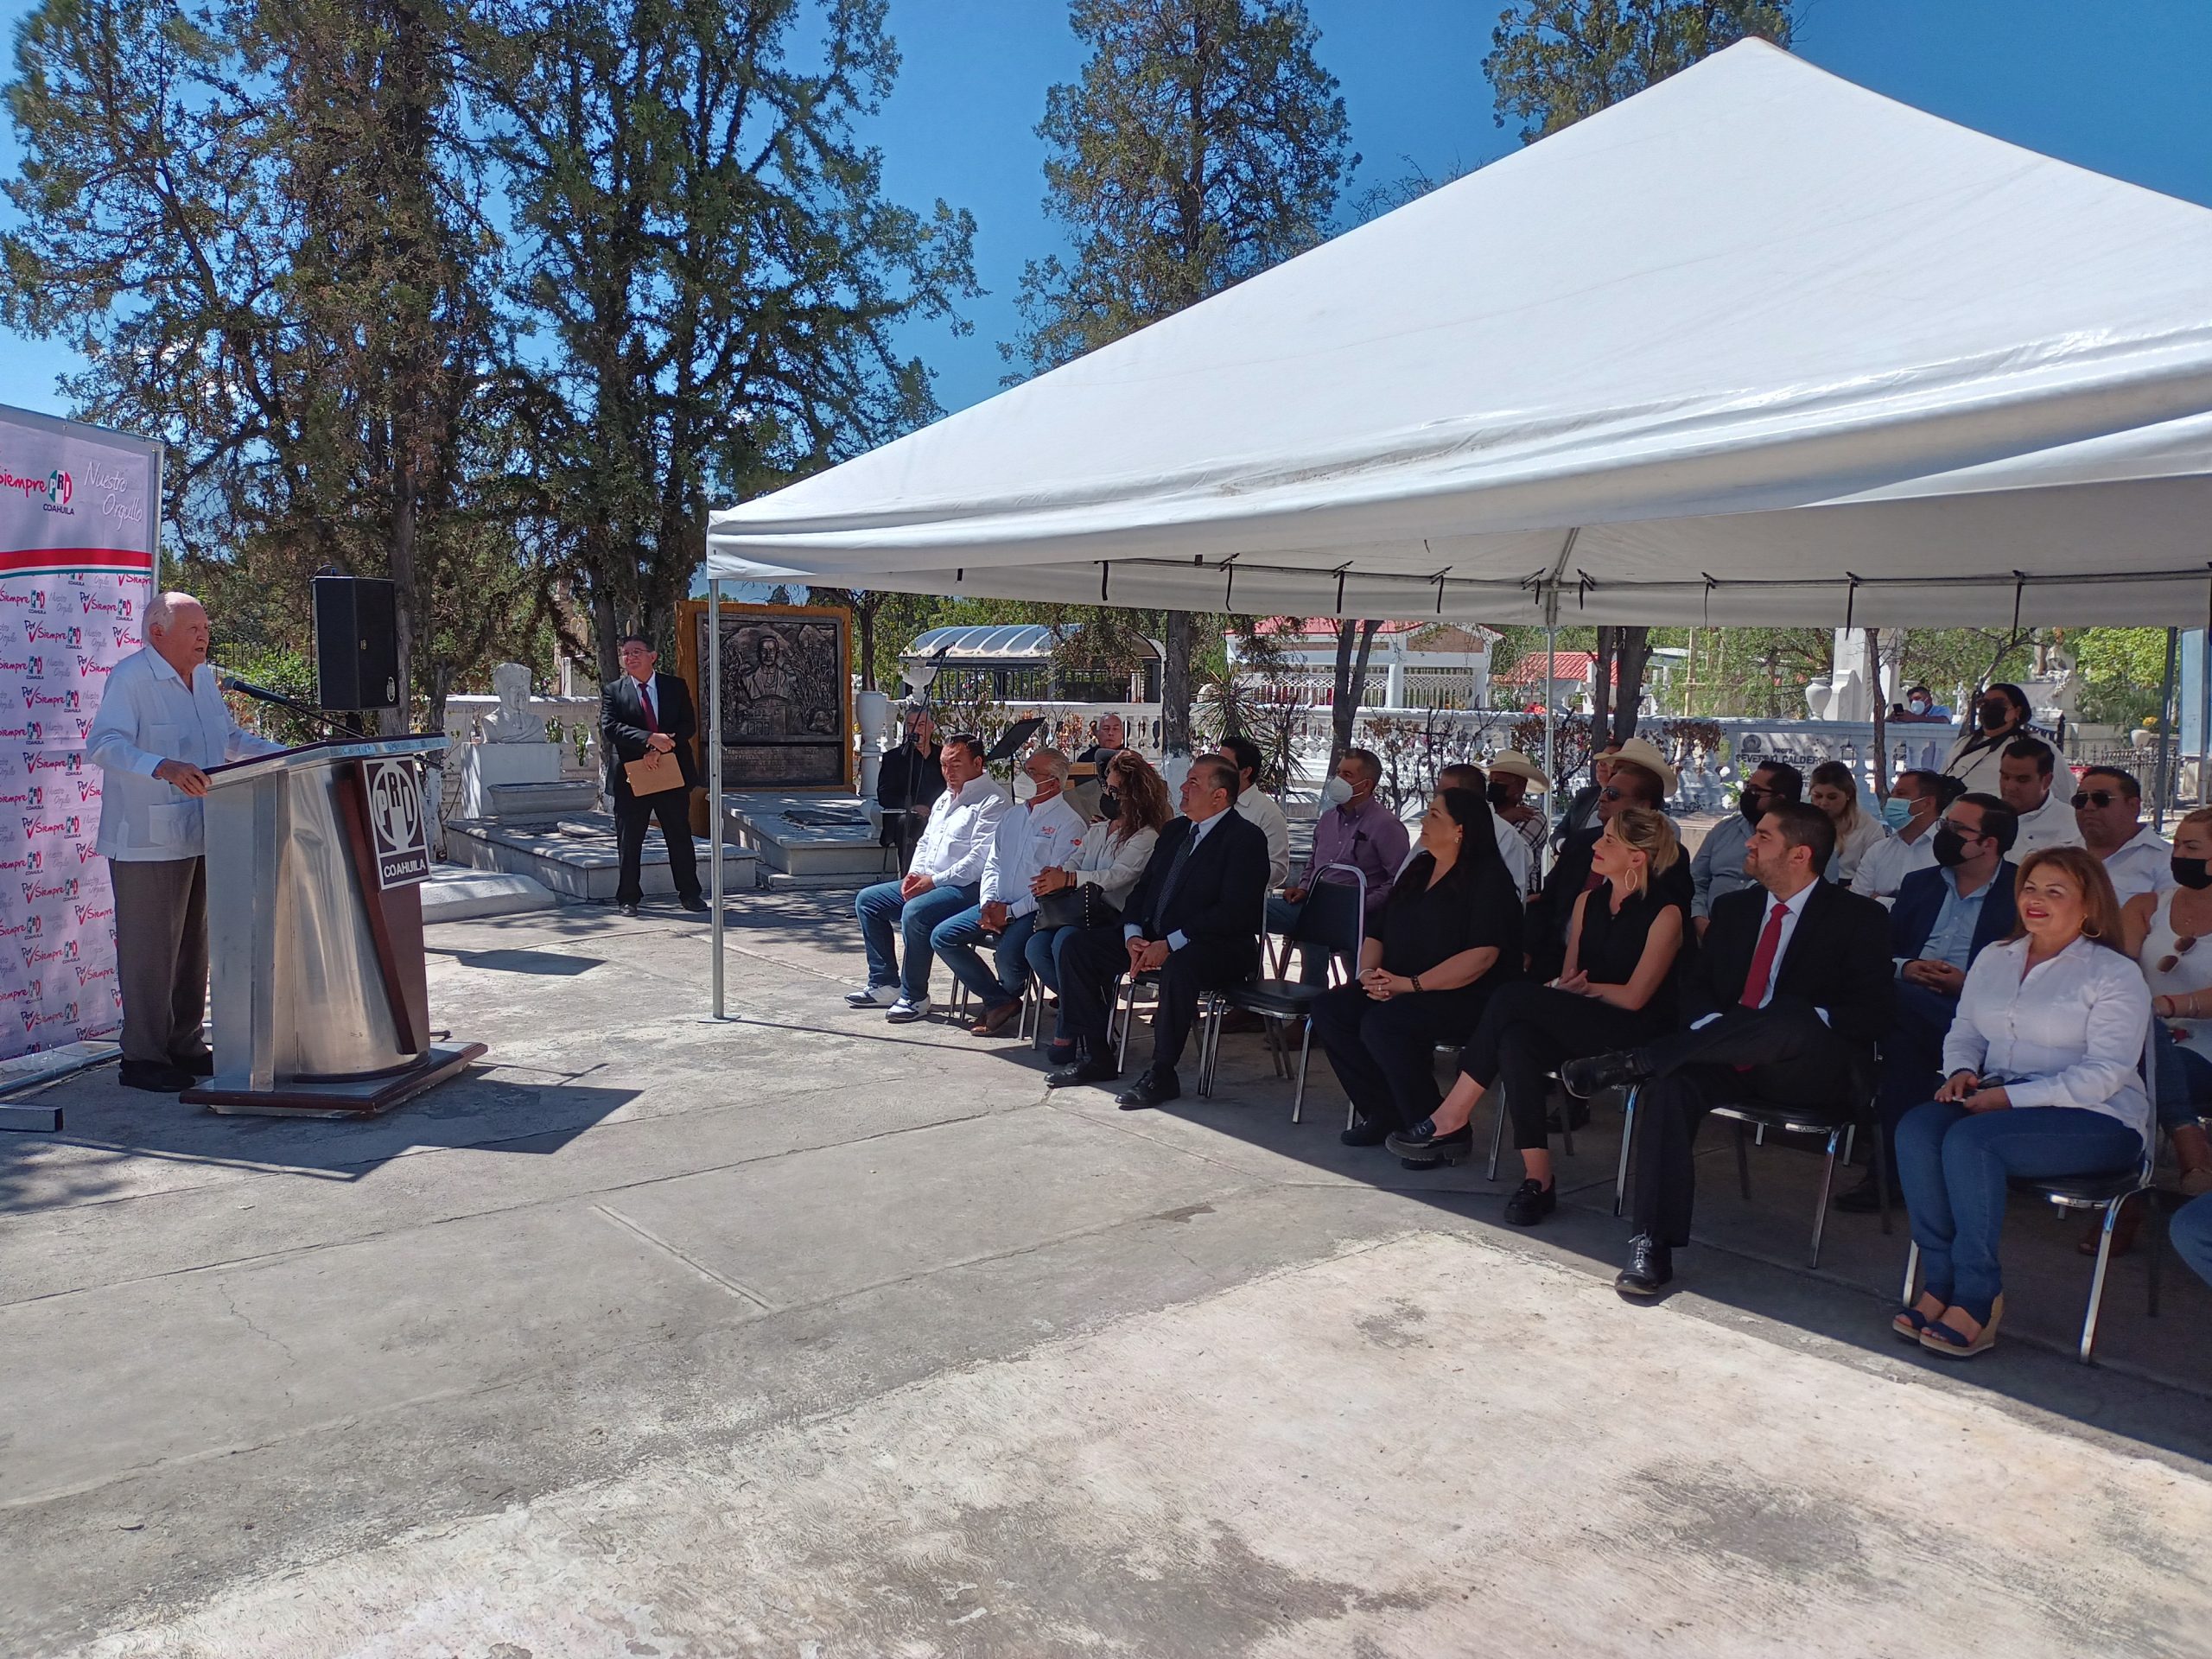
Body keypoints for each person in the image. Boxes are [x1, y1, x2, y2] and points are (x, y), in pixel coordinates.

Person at [1563, 802, 1893, 1298]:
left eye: (1764, 837)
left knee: (1791, 1015)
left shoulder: (1859, 918)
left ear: (1800, 854)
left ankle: (1637, 1061)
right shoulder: (1736, 909)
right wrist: (1719, 1030)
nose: (1749, 843)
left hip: (1806, 1070)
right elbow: (1698, 987)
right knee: (1669, 1088)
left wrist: (1795, 1023)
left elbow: (1873, 1012)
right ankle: (1651, 1242)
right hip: (1726, 1057)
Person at [1891, 847, 2152, 1359]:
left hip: (2097, 1119)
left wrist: (2009, 1098)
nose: (2036, 899)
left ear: (2088, 905)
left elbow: (2106, 1075)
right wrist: (1960, 1071)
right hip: (1999, 1097)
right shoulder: (1997, 956)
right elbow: (1965, 1029)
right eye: (2030, 888)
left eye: (2055, 891)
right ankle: (1940, 1281)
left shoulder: (2114, 974)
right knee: (1917, 1129)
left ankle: (1978, 1295)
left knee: (1972, 1142)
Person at [1389, 807, 1686, 1213]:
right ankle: (1538, 1178)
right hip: (1585, 1015)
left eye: (1609, 840)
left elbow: (1635, 998)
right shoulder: (1588, 901)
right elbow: (1571, 976)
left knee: (1511, 997)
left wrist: (1581, 989)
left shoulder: (1666, 914)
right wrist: (1566, 988)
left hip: (1634, 1032)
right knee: (1516, 1040)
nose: (1596, 846)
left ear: (1637, 857)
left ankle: (1452, 1115)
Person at [86, 590, 286, 1092]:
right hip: (147, 840)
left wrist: (290, 755)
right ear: (158, 633)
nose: (204, 636)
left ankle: (185, 1044)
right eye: (194, 628)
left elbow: (230, 739)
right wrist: (162, 766)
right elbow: (104, 745)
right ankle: (142, 1058)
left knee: (193, 951)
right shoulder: (131, 678)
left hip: (203, 830)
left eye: (206, 628)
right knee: (150, 952)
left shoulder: (205, 680)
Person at [1048, 755, 1269, 1109]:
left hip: (1217, 946)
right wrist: (1133, 935)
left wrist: (1170, 944)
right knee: (1077, 947)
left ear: (1219, 795)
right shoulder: (1176, 831)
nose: (1183, 787)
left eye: (1194, 782)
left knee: (1181, 967)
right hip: (1155, 936)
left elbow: (1234, 911)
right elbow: (1143, 890)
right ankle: (1097, 1054)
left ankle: (1162, 1072)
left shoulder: (1245, 839)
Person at [1834, 792, 2019, 1213]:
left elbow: (2031, 975)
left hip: (1979, 1017)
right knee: (1902, 1049)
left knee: (1892, 1020)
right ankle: (1894, 1178)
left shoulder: (2021, 892)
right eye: (1945, 824)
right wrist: (1908, 967)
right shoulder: (1921, 883)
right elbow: (1883, 952)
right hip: (1913, 1006)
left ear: (1988, 843)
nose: (1944, 834)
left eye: (1957, 829)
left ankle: (1888, 1177)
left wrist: (1968, 985)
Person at [1314, 787, 1523, 1158]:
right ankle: (1384, 1113)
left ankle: (1437, 1127)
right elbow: (1377, 932)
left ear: (1460, 829)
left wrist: (1410, 985)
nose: (1424, 821)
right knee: (1332, 1010)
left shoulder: (1489, 880)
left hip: (1464, 995)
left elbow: (1481, 957)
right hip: (1399, 983)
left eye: (1434, 815)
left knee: (1385, 1025)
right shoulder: (1420, 867)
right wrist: (1367, 973)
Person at [1027, 752, 1173, 1066]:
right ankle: (1087, 1015)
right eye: (1107, 787)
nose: (1108, 794)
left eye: (1115, 790)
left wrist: (1070, 879)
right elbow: (1076, 860)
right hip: (1080, 911)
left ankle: (1069, 1031)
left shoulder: (1146, 836)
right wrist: (1057, 875)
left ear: (1133, 794)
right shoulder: (1098, 829)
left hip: (1113, 917)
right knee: (1036, 947)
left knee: (1065, 942)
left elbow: (1118, 876)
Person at [931, 747, 1086, 1038]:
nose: (1024, 777)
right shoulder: (1013, 815)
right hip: (998, 902)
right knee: (943, 936)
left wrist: (1010, 912)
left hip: (1035, 910)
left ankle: (1008, 994)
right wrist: (989, 901)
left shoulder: (1069, 823)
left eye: (1032, 773)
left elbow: (1052, 885)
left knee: (1008, 956)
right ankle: (1000, 1000)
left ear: (1053, 783)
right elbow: (993, 862)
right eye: (1025, 770)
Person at [849, 733, 1006, 1021]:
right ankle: (885, 982)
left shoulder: (993, 801)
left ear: (978, 763)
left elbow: (978, 862)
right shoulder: (946, 796)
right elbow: (925, 842)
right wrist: (914, 874)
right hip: (929, 879)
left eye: (956, 765)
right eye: (944, 765)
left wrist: (932, 882)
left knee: (916, 912)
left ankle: (914, 996)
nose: (948, 772)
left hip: (967, 887)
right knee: (868, 901)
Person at [2118, 805, 2212, 1203]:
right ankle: (2191, 1147)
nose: (2179, 855)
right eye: (2176, 846)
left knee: (2139, 1065)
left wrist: (2170, 1005)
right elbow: (2118, 971)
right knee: (2143, 1048)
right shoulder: (2146, 906)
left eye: (2191, 848)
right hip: (2142, 1036)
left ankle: (2128, 1194)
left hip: (2203, 1049)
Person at [1530, 743, 1688, 979]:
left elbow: (1669, 930)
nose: (1602, 797)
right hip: (1555, 957)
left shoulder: (1668, 856)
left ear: (1643, 806)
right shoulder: (1580, 842)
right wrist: (1528, 950)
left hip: (1622, 971)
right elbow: (1548, 902)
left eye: (1613, 794)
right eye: (1606, 789)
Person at [1268, 747, 1408, 986]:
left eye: (1347, 775)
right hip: (1315, 904)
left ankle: (1334, 998)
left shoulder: (1386, 825)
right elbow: (1313, 862)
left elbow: (1400, 880)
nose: (1339, 780)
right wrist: (1303, 888)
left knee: (1329, 942)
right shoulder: (1327, 819)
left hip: (1358, 915)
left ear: (1366, 785)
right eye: (1338, 772)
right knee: (1254, 911)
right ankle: (1297, 996)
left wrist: (1361, 904)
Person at [598, 636, 708, 917]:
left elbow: (688, 724)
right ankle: (628, 897)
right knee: (630, 839)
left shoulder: (675, 686)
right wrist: (649, 740)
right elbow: (611, 727)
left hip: (670, 772)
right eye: (626, 653)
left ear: (653, 656)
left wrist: (661, 747)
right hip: (631, 777)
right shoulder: (614, 691)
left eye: (637, 652)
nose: (630, 657)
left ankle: (690, 894)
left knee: (679, 835)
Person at [1692, 760, 1802, 936]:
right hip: (1708, 929)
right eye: (1748, 787)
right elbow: (1696, 880)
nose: (1748, 794)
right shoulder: (1724, 829)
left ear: (1780, 800)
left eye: (1756, 791)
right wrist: (1699, 918)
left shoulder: (1804, 840)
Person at [1851, 768, 1953, 907]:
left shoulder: (1948, 851)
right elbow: (1857, 903)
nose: (1891, 800)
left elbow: (1941, 905)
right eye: (1892, 794)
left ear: (1927, 803)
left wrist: (1880, 900)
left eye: (1901, 794)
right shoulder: (1878, 851)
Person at [2075, 766, 2171, 905]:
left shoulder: (2166, 862)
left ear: (2133, 806)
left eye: (2101, 799)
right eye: (2081, 799)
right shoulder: (2061, 853)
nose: (2088, 807)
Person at [1433, 763, 1530, 898]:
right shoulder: (1433, 829)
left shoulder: (1507, 838)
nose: (1438, 800)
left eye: (1499, 781)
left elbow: (1506, 901)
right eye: (1492, 780)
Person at [1213, 734, 1290, 890]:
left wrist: (1236, 871)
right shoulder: (1210, 802)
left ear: (1246, 772)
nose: (1217, 770)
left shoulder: (1268, 813)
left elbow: (1279, 870)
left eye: (1225, 764)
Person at [876, 706, 944, 874]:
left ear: (931, 727)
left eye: (921, 725)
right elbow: (885, 795)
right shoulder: (894, 758)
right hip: (908, 816)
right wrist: (912, 807)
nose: (916, 730)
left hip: (940, 814)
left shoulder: (943, 756)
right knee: (908, 823)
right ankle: (909, 877)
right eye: (911, 725)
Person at [1940, 683, 2031, 795]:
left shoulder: (2031, 746)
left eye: (1998, 703)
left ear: (2017, 711)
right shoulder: (1963, 743)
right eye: (1984, 703)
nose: (1989, 708)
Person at [1997, 735, 2082, 855]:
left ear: (2046, 781)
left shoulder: (2073, 824)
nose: (2009, 787)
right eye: (2005, 777)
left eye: (2022, 780)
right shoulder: (1985, 815)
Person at [1484, 752, 1551, 897]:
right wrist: (1503, 819)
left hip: (1518, 895)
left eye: (1499, 782)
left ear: (1519, 787)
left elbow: (1503, 852)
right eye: (1491, 780)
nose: (1492, 785)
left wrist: (1495, 821)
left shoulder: (1533, 817)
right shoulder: (1484, 811)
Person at [1808, 760, 1885, 885]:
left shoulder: (1869, 827)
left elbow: (1875, 874)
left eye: (1832, 797)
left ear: (1849, 794)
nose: (1823, 803)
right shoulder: (1801, 823)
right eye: (1817, 796)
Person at [1556, 741, 1621, 849]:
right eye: (1600, 759)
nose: (1601, 763)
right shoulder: (1584, 795)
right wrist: (1563, 846)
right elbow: (1559, 831)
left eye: (1609, 760)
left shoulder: (1625, 803)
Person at [1077, 713, 1131, 821]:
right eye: (1106, 729)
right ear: (1097, 733)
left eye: (1115, 729)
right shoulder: (1085, 759)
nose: (1110, 733)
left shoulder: (1131, 759)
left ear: (1122, 734)